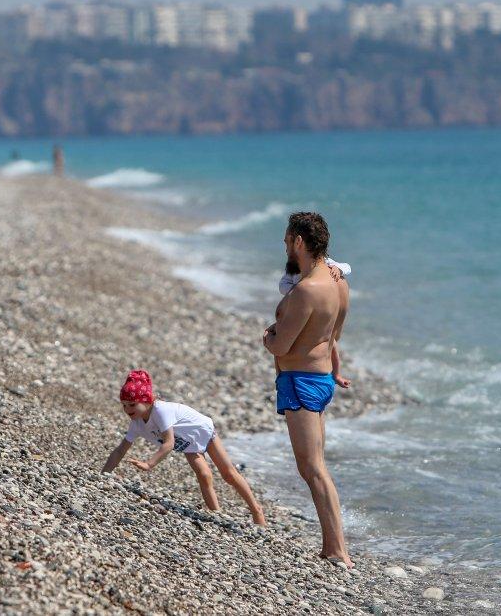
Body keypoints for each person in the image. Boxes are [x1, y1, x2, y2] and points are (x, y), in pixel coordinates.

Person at [262, 211, 353, 568]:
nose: (285, 247)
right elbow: (333, 337)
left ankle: (338, 549)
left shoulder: (305, 291)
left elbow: (281, 346)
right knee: (315, 466)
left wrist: (268, 336)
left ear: (299, 241)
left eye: (287, 241)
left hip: (301, 382)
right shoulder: (338, 284)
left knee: (312, 468)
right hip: (320, 379)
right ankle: (332, 545)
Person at [102, 370, 266, 526]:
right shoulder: (137, 423)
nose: (127, 410)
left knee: (228, 474)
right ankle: (216, 514)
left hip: (201, 430)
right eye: (124, 405)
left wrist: (149, 464)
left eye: (132, 405)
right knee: (203, 474)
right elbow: (120, 450)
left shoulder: (160, 410)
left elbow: (169, 443)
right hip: (186, 444)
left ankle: (256, 510)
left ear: (147, 401)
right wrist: (104, 475)